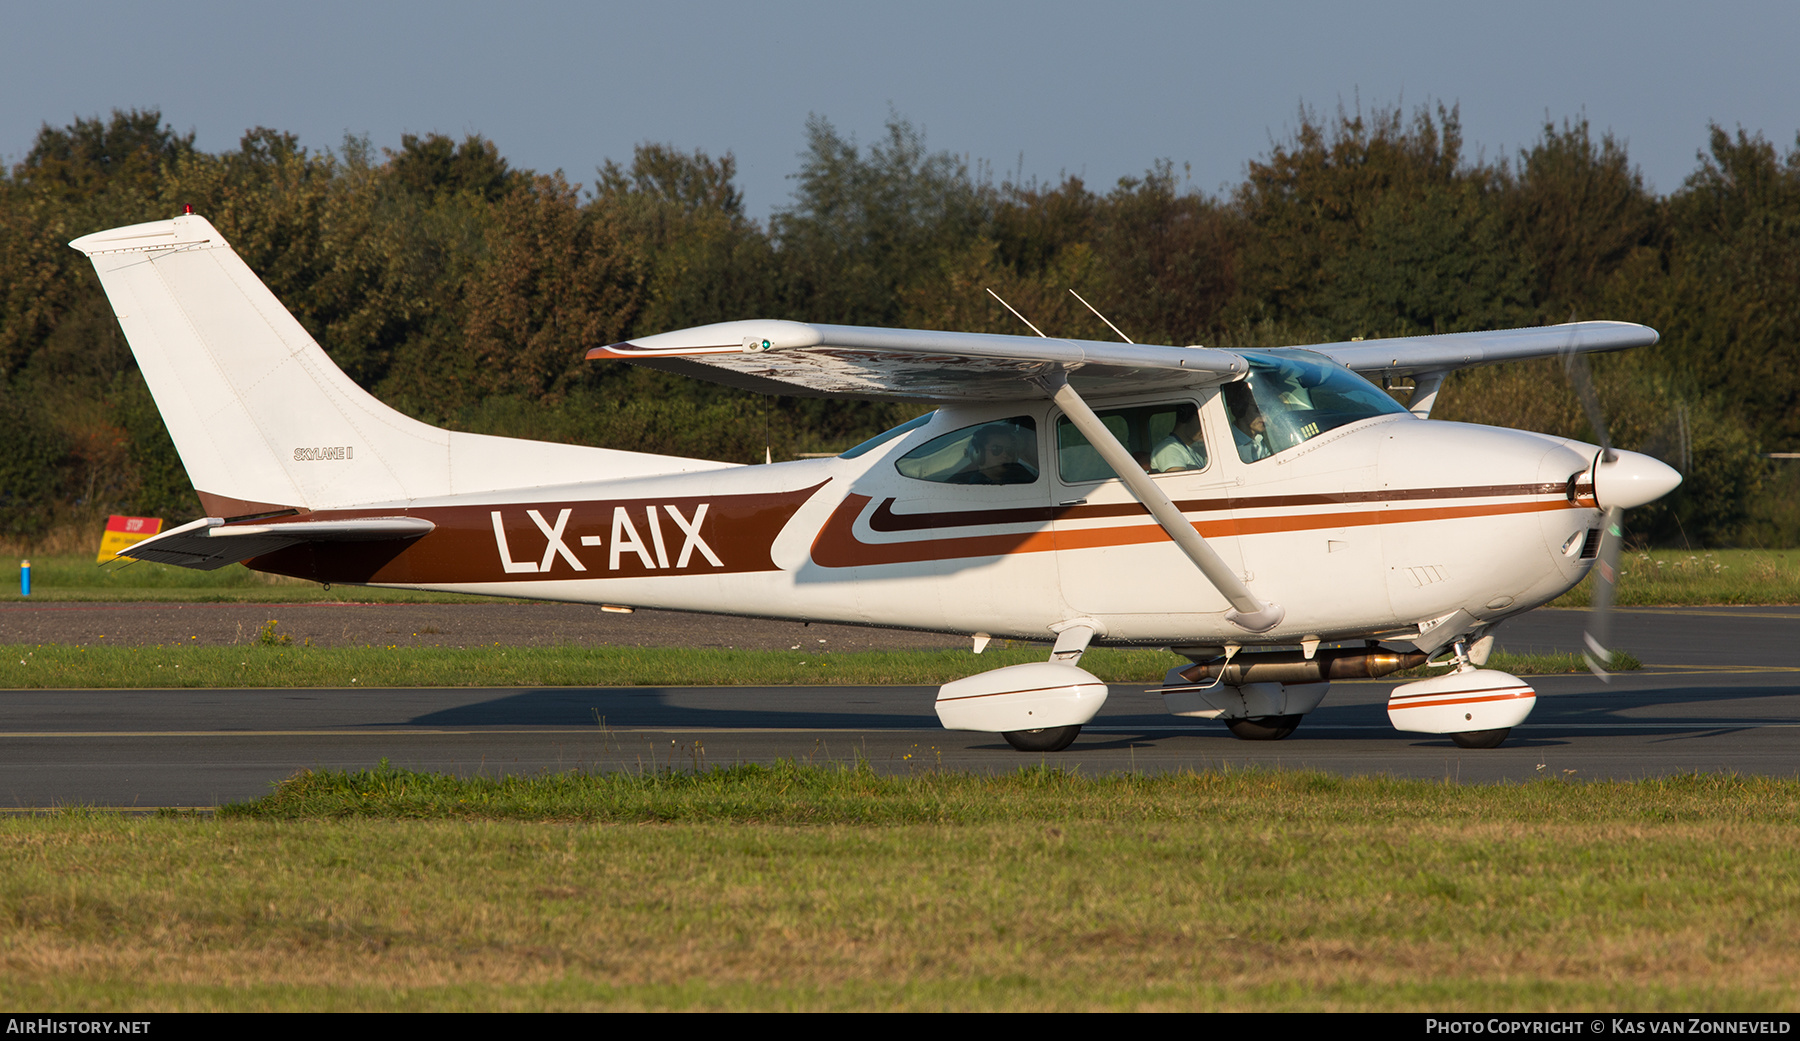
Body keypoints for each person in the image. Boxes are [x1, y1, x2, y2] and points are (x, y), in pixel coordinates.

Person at [953, 423, 1038, 484]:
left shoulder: (1023, 477)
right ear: (978, 453)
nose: (1005, 454)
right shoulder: (976, 488)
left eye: (1009, 450)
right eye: (996, 449)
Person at [1149, 403, 1207, 472]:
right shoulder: (1169, 449)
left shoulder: (1193, 451)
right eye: (1202, 419)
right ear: (1186, 416)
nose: (1206, 426)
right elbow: (1179, 481)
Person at [1223, 382, 1272, 462]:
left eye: (1267, 410)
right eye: (1257, 409)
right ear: (1240, 408)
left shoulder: (1259, 439)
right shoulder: (1227, 444)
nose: (1265, 417)